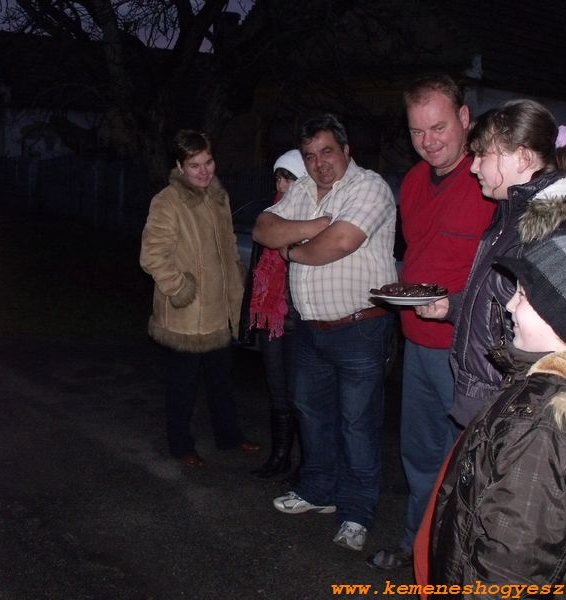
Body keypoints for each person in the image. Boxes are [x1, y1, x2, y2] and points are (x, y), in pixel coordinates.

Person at [366, 75, 496, 570]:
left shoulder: (487, 180)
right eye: (417, 131)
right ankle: (414, 545)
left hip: (466, 350)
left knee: (463, 461)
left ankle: (454, 561)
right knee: (418, 456)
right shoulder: (414, 182)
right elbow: (417, 254)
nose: (429, 141)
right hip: (417, 343)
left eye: (438, 127)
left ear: (464, 118)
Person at [253, 114, 397, 552]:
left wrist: (293, 251)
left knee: (357, 424)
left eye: (327, 151)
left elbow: (341, 243)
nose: (319, 163)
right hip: (311, 328)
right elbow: (263, 229)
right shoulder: (302, 189)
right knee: (312, 415)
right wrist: (313, 227)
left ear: (346, 151)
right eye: (310, 155)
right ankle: (319, 491)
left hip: (361, 328)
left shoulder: (369, 186)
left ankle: (357, 512)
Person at [429, 234, 566, 593]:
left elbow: (510, 569)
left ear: (563, 318)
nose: (509, 305)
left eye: (523, 296)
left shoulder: (541, 429)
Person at [416, 99, 566, 428]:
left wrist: (518, 409)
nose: (473, 167)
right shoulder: (512, 215)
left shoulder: (556, 228)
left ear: (523, 157)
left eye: (483, 155)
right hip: (486, 394)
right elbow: (502, 304)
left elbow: (563, 337)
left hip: (511, 405)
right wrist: (453, 307)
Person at [140, 129, 259, 467]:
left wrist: (236, 282)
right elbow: (152, 256)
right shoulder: (167, 201)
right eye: (195, 165)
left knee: (222, 380)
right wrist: (181, 289)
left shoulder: (218, 197)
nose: (204, 171)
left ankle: (229, 435)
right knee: (183, 386)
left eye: (208, 162)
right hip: (187, 314)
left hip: (219, 310)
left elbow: (229, 247)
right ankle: (181, 445)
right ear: (180, 166)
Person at [246, 149, 307, 479]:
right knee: (277, 390)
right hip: (272, 318)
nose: (282, 185)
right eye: (279, 178)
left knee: (301, 395)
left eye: (289, 178)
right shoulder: (270, 215)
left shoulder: (312, 215)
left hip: (301, 318)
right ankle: (280, 455)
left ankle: (307, 463)